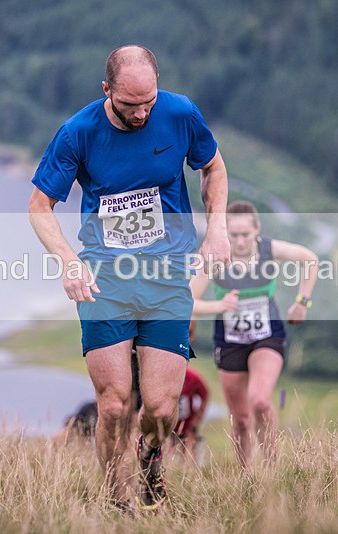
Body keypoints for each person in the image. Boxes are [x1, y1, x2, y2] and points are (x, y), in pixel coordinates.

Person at [28, 45, 229, 511]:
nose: (141, 113)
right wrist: (68, 261)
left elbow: (214, 167)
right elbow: (39, 206)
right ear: (107, 91)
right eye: (129, 104)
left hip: (167, 276)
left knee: (160, 409)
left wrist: (216, 228)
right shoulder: (78, 132)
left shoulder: (180, 113)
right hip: (105, 278)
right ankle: (116, 500)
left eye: (148, 103)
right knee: (115, 404)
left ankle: (151, 458)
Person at [190, 200, 318, 470]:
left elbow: (310, 259)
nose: (239, 241)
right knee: (240, 419)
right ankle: (246, 475)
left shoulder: (269, 250)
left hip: (267, 335)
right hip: (230, 342)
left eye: (245, 234)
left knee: (259, 401)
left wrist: (302, 302)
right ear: (225, 233)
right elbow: (188, 301)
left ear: (257, 230)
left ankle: (272, 468)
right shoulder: (215, 258)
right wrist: (220, 305)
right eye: (233, 235)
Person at [171, 366, 209, 465]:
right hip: (168, 423)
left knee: (190, 450)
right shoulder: (165, 376)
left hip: (188, 423)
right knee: (167, 449)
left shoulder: (193, 377)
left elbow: (205, 394)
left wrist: (196, 419)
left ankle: (192, 469)